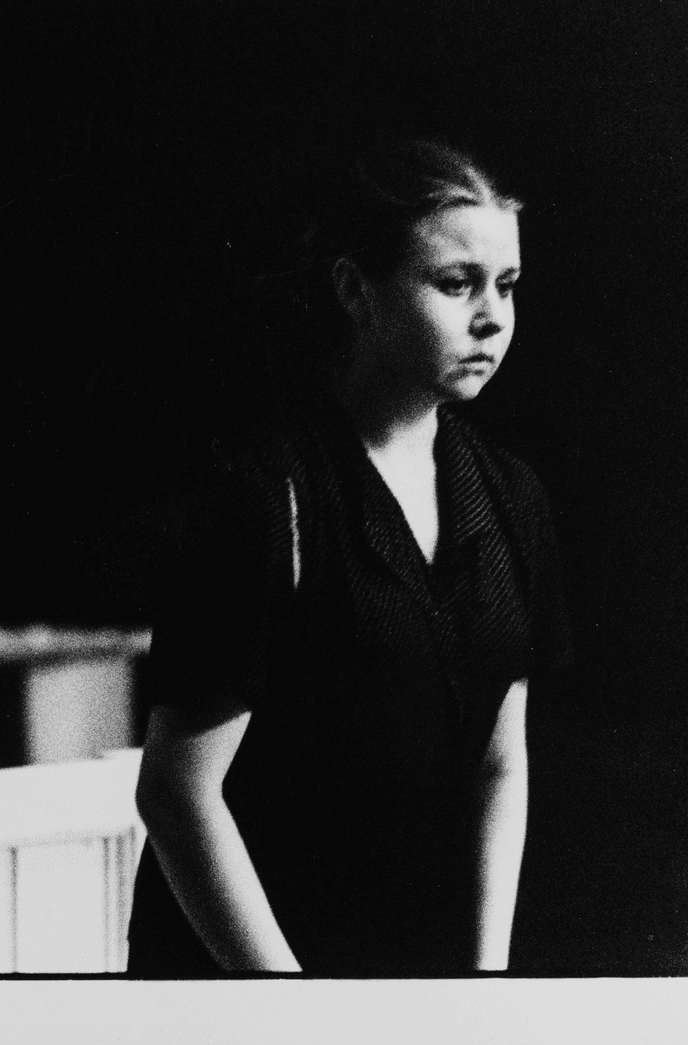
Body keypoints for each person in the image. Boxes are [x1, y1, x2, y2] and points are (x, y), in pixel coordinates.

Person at [126, 139, 572, 977]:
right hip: (243, 982)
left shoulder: (511, 499)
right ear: (354, 290)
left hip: (404, 970)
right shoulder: (269, 498)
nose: (491, 317)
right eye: (455, 283)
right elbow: (178, 795)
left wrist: (485, 984)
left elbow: (500, 763)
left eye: (506, 285)